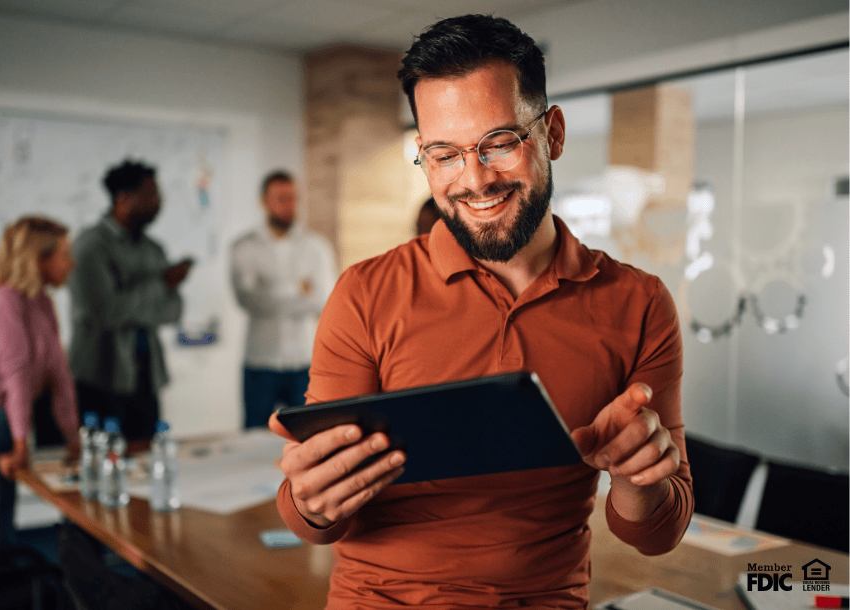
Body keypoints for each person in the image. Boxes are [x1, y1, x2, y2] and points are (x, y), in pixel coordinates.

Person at [269, 14, 694, 609]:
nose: (474, 179)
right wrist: (310, 500)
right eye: (443, 154)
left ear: (553, 133)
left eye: (499, 143)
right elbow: (315, 519)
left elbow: (658, 532)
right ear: (423, 154)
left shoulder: (639, 303)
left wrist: (637, 478)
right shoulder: (365, 293)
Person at [0, 216, 80, 554]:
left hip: (6, 424)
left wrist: (72, 435)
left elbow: (59, 374)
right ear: (38, 258)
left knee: (3, 534)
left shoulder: (41, 304)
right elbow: (16, 377)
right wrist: (23, 444)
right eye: (64, 254)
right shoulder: (3, 302)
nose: (71, 263)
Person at [68, 160, 191, 440]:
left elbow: (173, 310)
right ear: (122, 199)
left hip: (146, 374)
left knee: (146, 456)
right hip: (99, 375)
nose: (159, 202)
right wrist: (159, 284)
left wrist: (132, 303)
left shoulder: (153, 249)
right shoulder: (90, 247)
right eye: (150, 195)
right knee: (101, 460)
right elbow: (105, 314)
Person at [231, 170, 337, 428]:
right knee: (254, 436)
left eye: (292, 198)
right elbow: (249, 300)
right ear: (264, 202)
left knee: (309, 435)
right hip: (260, 361)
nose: (288, 205)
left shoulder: (317, 247)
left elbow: (323, 301)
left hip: (304, 362)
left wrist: (272, 291)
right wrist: (297, 289)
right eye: (280, 198)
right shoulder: (244, 247)